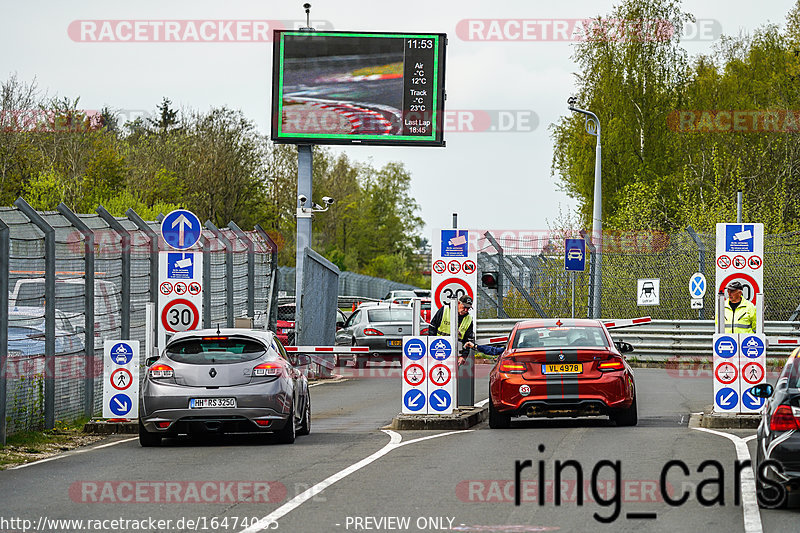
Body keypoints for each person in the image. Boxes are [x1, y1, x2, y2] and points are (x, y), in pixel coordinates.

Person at [429, 294, 475, 366]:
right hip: (439, 348)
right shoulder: (445, 310)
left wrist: (463, 356)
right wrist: (431, 346)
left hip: (455, 351)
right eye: (464, 307)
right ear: (458, 303)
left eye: (468, 308)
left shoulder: (468, 319)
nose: (466, 310)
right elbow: (432, 328)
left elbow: (468, 340)